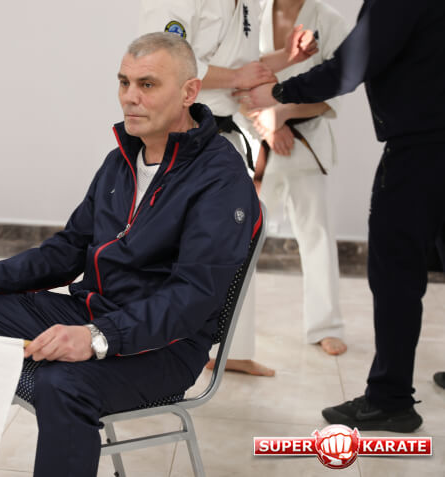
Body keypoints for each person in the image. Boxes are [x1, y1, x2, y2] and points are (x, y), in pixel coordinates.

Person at [0, 32, 261, 476]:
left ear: (189, 92)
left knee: (63, 383)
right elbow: (69, 247)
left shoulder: (220, 177)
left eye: (147, 85)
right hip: (92, 311)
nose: (130, 97)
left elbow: (193, 297)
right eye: (124, 82)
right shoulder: (121, 161)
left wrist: (97, 337)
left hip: (167, 345)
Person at [238, 0, 445, 432]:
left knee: (394, 272)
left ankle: (390, 400)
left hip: (421, 148)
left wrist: (279, 95)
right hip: (429, 139)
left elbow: (350, 67)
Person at [138, 0, 316, 376]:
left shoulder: (248, 3)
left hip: (223, 137)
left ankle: (230, 350)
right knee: (160, 248)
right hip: (176, 133)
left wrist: (286, 57)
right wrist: (236, 78)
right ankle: (139, 347)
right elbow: (162, 62)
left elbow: (242, 66)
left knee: (235, 243)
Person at [245, 0, 350, 355]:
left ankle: (326, 325)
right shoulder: (252, 12)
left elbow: (339, 86)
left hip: (307, 141)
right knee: (240, 237)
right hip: (256, 140)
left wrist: (284, 113)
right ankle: (227, 323)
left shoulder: (328, 20)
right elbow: (237, 77)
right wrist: (267, 125)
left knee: (317, 233)